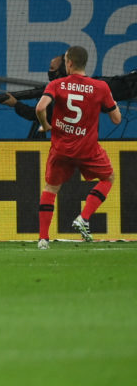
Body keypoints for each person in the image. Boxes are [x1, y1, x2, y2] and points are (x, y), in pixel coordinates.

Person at [34, 46, 121, 249]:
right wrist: (112, 103)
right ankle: (84, 217)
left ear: (69, 63)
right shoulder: (101, 87)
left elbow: (40, 107)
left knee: (51, 189)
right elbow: (117, 119)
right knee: (108, 178)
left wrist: (46, 125)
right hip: (88, 150)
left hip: (61, 149)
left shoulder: (57, 84)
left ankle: (43, 239)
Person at [1, 55, 66, 138]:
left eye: (52, 68)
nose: (49, 71)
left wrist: (16, 104)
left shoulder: (56, 94)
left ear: (61, 71)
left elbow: (35, 114)